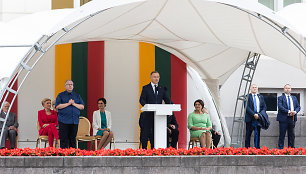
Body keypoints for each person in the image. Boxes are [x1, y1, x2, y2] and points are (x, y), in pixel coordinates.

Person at [139, 71, 171, 149]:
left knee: (155, 133)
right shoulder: (146, 88)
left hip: (158, 115)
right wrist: (146, 106)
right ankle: (144, 150)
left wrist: (172, 106)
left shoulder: (161, 88)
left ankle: (154, 150)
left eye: (158, 77)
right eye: (154, 77)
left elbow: (167, 100)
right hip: (148, 114)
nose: (156, 78)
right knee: (146, 133)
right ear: (151, 78)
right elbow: (141, 99)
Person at [55, 80, 84, 149]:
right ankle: (63, 156)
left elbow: (82, 107)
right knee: (64, 139)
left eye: (71, 84)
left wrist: (73, 104)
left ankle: (72, 155)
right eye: (68, 84)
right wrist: (68, 103)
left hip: (74, 121)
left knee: (72, 139)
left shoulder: (77, 96)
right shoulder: (61, 95)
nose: (70, 86)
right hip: (63, 120)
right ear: (65, 86)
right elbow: (57, 106)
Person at [245, 84, 268, 149]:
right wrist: (254, 114)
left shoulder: (260, 97)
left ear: (257, 89)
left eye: (255, 87)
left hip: (258, 118)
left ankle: (257, 148)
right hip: (250, 118)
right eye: (253, 87)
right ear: (250, 89)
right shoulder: (247, 97)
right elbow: (247, 107)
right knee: (248, 134)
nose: (254, 88)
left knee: (257, 134)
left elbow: (264, 107)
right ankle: (247, 149)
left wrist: (259, 115)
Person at [277, 84, 300, 149]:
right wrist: (289, 111)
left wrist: (295, 112)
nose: (287, 89)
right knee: (282, 135)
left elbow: (298, 107)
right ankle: (280, 149)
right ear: (284, 89)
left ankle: (291, 149)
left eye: (289, 88)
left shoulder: (294, 98)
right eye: (286, 88)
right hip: (283, 119)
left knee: (291, 135)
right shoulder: (280, 98)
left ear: (291, 89)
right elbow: (280, 107)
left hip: (292, 119)